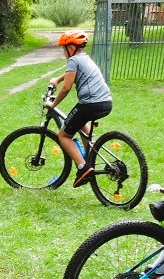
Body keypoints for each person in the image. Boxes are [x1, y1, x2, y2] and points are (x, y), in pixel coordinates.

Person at [43, 30, 113, 187]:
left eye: (64, 48)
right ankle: (90, 157)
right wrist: (57, 79)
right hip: (105, 102)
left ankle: (83, 167)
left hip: (90, 103)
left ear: (72, 48)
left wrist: (53, 104)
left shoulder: (73, 60)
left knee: (63, 135)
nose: (64, 52)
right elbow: (70, 75)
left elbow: (67, 87)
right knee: (79, 122)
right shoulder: (85, 59)